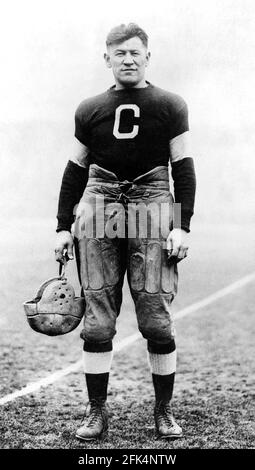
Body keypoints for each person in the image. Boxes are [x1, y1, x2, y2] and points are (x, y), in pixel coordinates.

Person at [55, 23, 196, 441]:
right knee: (97, 321)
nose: (128, 60)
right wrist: (63, 226)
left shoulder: (170, 104)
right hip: (100, 205)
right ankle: (96, 411)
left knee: (155, 316)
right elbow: (75, 169)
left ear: (147, 56)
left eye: (135, 53)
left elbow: (184, 167)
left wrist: (182, 225)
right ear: (107, 59)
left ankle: (163, 411)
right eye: (120, 54)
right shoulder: (90, 107)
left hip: (153, 204)